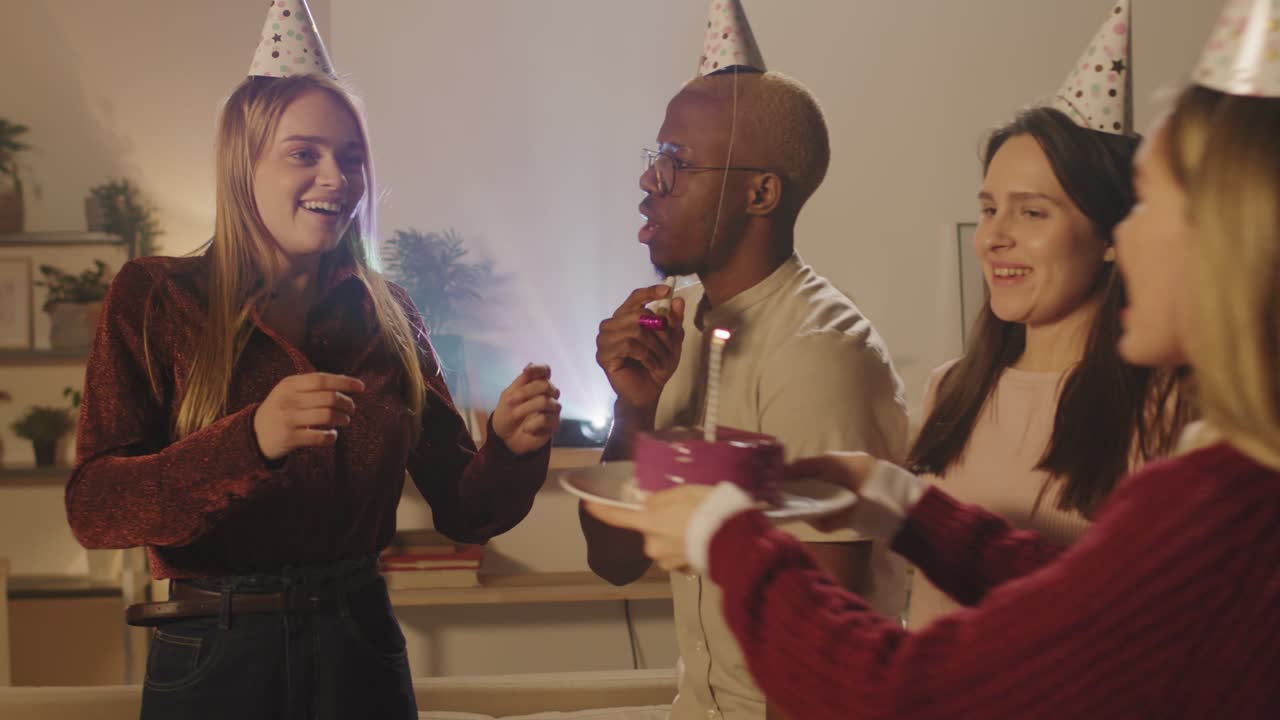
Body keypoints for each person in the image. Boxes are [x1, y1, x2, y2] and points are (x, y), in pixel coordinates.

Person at [585, 2, 1280, 716]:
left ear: (1232, 244)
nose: (1122, 244)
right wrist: (900, 501)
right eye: (988, 209)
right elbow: (1069, 600)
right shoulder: (1232, 484)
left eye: (1144, 211)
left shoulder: (1219, 501)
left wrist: (721, 536)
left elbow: (904, 692)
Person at [65, 3, 560, 717]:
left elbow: (464, 509)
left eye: (351, 158)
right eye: (304, 153)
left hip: (357, 648)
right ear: (244, 165)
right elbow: (96, 508)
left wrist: (510, 450)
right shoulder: (153, 298)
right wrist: (249, 442)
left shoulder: (389, 315)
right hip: (213, 658)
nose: (338, 178)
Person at [581, 3, 907, 718]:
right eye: (654, 159)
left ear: (761, 192)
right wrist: (632, 408)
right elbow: (613, 563)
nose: (650, 183)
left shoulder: (821, 354)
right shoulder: (680, 326)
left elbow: (828, 648)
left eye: (678, 165)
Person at [906, 0, 1191, 628]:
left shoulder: (1169, 411)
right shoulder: (950, 392)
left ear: (1113, 234)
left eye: (1032, 213)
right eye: (988, 209)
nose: (994, 237)